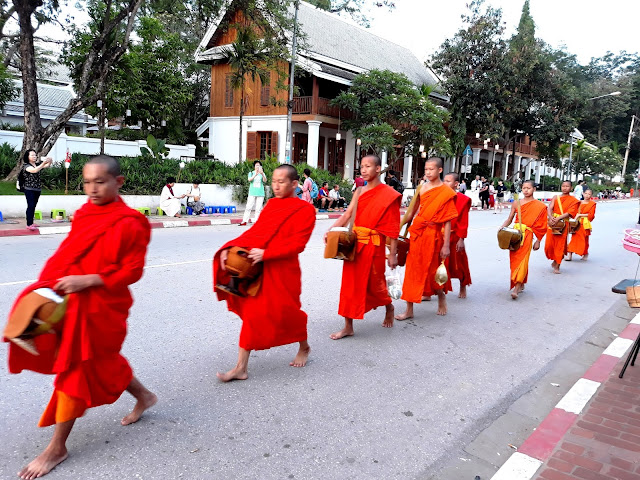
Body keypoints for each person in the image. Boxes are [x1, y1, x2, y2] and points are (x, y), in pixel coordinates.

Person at [5, 155, 157, 479]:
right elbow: (69, 252)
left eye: (99, 182)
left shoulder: (132, 222)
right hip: (71, 301)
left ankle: (57, 447)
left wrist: (87, 281)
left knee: (76, 367)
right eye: (87, 182)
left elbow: (133, 271)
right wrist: (46, 286)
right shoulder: (86, 212)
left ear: (118, 182)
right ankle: (144, 396)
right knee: (101, 361)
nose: (92, 189)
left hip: (102, 305)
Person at [214, 165, 316, 381]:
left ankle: (304, 346)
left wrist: (267, 253)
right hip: (260, 268)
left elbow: (298, 244)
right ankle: (241, 367)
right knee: (252, 313)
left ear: (294, 184)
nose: (276, 186)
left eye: (281, 182)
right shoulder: (271, 205)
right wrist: (229, 248)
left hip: (284, 270)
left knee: (288, 314)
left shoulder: (305, 210)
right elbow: (255, 233)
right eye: (274, 181)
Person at [328, 154, 401, 340]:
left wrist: (392, 254)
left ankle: (389, 306)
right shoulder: (359, 191)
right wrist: (331, 230)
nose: (364, 169)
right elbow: (348, 214)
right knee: (349, 286)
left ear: (378, 169)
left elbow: (393, 228)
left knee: (376, 284)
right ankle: (348, 326)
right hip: (355, 246)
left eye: (368, 166)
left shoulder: (389, 195)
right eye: (362, 166)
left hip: (374, 246)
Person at [396, 157, 458, 319]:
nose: (428, 172)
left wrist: (446, 245)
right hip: (418, 233)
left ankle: (441, 296)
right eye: (426, 170)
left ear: (440, 170)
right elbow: (411, 212)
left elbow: (447, 221)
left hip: (434, 235)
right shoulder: (422, 188)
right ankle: (409, 309)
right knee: (412, 270)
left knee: (432, 270)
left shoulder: (446, 192)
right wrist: (398, 227)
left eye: (431, 169)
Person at [499, 180, 548, 299]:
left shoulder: (540, 206)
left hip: (527, 235)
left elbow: (542, 225)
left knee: (523, 260)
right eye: (524, 188)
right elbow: (510, 219)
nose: (526, 190)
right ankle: (520, 282)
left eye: (528, 188)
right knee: (514, 260)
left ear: (534, 189)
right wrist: (502, 228)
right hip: (515, 235)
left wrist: (538, 240)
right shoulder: (517, 203)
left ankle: (516, 287)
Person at [443, 173, 472, 299]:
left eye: (448, 181)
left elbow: (463, 221)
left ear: (456, 184)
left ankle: (463, 285)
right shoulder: (439, 197)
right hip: (440, 235)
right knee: (436, 264)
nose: (445, 183)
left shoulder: (462, 199)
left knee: (459, 263)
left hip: (455, 235)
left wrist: (461, 239)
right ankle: (432, 289)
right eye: (444, 180)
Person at [545, 180, 580, 274]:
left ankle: (557, 265)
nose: (565, 188)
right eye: (563, 186)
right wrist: (551, 217)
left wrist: (559, 218)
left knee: (559, 245)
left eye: (567, 186)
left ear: (571, 188)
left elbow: (570, 212)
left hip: (563, 223)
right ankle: (555, 259)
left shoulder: (573, 200)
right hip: (553, 223)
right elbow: (550, 208)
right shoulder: (556, 197)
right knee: (549, 245)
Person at [21, 150, 53, 231]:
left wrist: (50, 161)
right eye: (32, 155)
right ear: (27, 157)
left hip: (37, 189)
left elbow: (46, 166)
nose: (34, 157)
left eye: (35, 155)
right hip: (29, 189)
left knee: (33, 206)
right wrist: (43, 163)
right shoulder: (26, 166)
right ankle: (29, 224)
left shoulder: (37, 165)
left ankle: (32, 222)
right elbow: (34, 170)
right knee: (31, 206)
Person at [566, 188, 596, 261]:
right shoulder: (579, 202)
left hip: (585, 224)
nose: (587, 195)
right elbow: (573, 211)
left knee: (584, 239)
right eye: (586, 193)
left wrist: (580, 215)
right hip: (577, 223)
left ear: (591, 195)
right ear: (583, 193)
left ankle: (585, 253)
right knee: (574, 239)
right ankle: (570, 254)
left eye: (589, 194)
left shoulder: (592, 204)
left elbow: (591, 215)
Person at [240, 160, 267, 226]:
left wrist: (262, 174)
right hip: (252, 192)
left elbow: (265, 181)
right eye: (256, 165)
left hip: (260, 193)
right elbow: (249, 180)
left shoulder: (262, 173)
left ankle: (257, 221)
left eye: (259, 165)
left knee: (258, 208)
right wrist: (255, 174)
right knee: (248, 207)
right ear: (254, 166)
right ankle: (244, 221)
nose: (257, 166)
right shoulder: (251, 173)